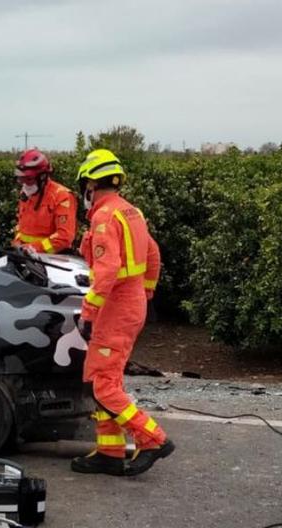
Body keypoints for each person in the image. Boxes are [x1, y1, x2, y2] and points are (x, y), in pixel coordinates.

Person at [73, 149, 173, 476]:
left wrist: (88, 312)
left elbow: (107, 269)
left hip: (115, 309)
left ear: (90, 184)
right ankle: (110, 451)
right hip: (130, 304)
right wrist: (146, 292)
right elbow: (153, 253)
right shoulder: (131, 211)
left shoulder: (104, 217)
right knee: (104, 377)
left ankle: (152, 438)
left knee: (100, 384)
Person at [12, 149, 77, 254]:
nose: (24, 184)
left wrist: (34, 248)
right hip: (25, 256)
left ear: (42, 177)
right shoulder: (26, 193)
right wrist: (17, 242)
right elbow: (21, 226)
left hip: (52, 260)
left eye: (28, 179)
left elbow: (64, 237)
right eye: (21, 179)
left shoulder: (61, 196)